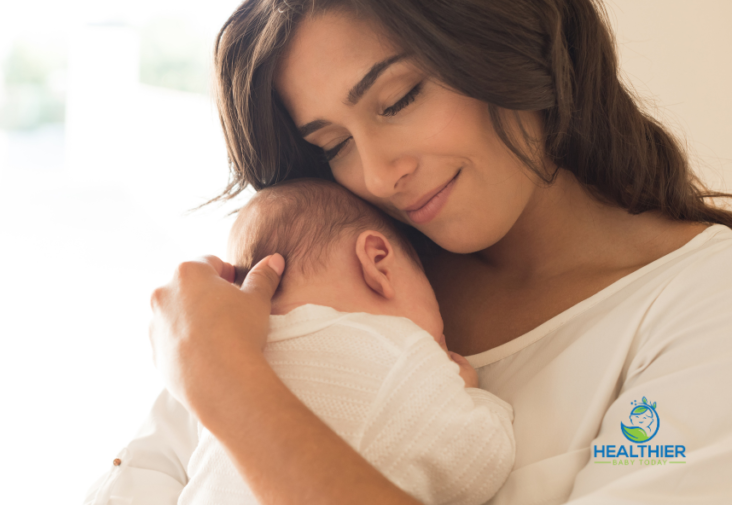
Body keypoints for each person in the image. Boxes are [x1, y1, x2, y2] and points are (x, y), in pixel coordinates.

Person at [99, 0, 732, 503]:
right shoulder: (331, 280)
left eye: (398, 99)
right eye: (333, 145)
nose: (377, 175)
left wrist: (230, 389)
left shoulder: (702, 305)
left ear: (510, 37)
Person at [175, 178, 514, 505]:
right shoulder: (398, 351)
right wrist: (471, 394)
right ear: (378, 261)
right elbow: (479, 466)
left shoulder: (236, 368)